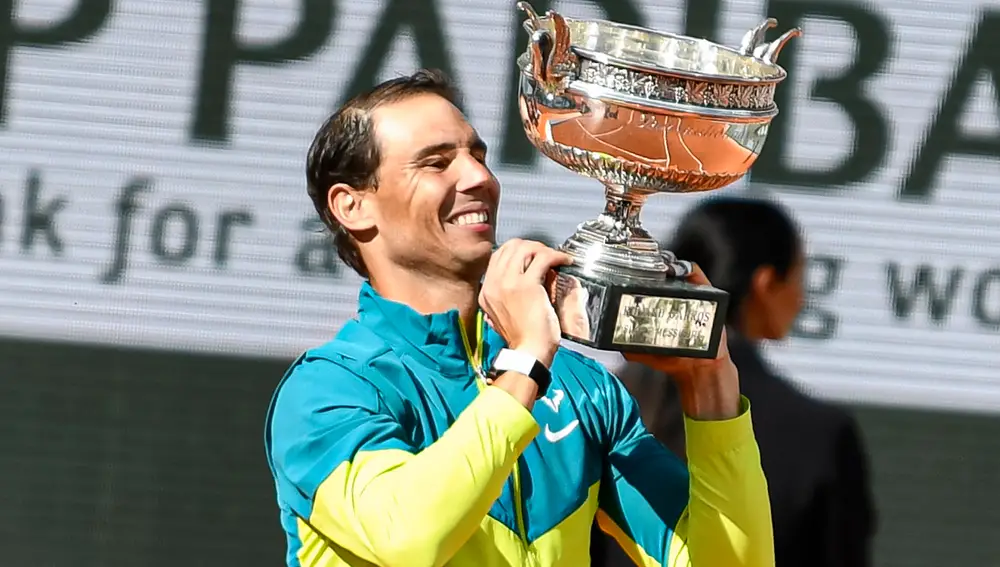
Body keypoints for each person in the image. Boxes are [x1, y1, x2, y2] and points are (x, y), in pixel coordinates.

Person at [263, 69, 775, 567]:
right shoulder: (328, 390)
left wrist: (712, 389)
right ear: (352, 206)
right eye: (437, 163)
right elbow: (408, 542)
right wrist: (526, 361)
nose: (480, 177)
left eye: (478, 155)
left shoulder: (580, 388)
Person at [590, 196, 877, 567]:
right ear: (765, 283)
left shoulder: (598, 406)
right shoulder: (820, 433)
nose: (803, 299)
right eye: (799, 276)